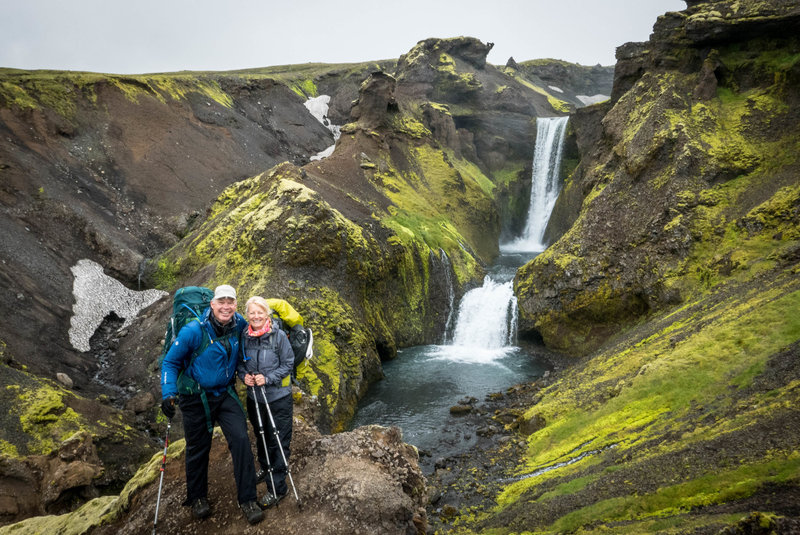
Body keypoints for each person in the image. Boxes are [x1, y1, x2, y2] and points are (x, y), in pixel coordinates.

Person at [160, 284, 264, 525]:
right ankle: (197, 497)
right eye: (222, 302)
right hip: (195, 397)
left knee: (240, 440)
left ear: (236, 305)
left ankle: (248, 499)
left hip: (225, 393)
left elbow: (260, 328)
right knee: (198, 448)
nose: (226, 307)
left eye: (231, 302)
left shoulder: (239, 323)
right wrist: (168, 393)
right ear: (213, 304)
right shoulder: (193, 331)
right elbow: (170, 363)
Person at [238, 296, 294, 505]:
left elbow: (288, 363)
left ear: (267, 314)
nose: (256, 316)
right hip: (255, 398)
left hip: (278, 399)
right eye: (252, 313)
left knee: (277, 441)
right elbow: (240, 363)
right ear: (247, 315)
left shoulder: (279, 336)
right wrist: (244, 376)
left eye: (260, 312)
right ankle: (265, 467)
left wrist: (268, 378)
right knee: (261, 436)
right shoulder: (244, 336)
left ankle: (278, 488)